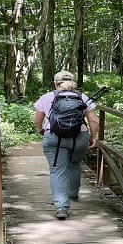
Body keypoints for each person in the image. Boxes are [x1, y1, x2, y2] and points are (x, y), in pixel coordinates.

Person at [33, 70, 99, 220]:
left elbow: (37, 120)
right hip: (79, 137)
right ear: (73, 82)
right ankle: (73, 194)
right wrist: (93, 137)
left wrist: (40, 129)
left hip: (54, 137)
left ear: (56, 83)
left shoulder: (47, 97)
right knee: (74, 164)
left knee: (57, 170)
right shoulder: (82, 97)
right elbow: (93, 120)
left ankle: (61, 207)